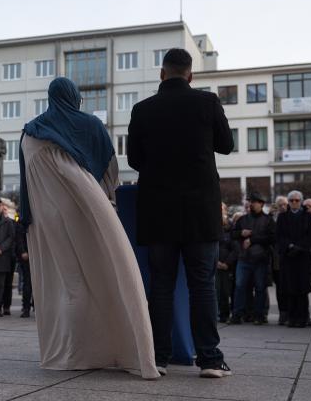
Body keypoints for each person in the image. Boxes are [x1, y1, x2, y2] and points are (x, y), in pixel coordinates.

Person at [20, 76, 159, 380]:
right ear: (75, 97)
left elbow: (26, 184)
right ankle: (118, 347)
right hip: (88, 211)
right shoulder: (90, 125)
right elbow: (109, 173)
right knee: (108, 275)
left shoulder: (29, 133)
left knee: (70, 284)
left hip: (48, 218)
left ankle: (74, 352)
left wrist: (27, 221)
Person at [127, 48, 233, 378]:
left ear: (162, 74)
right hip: (200, 211)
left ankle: (158, 357)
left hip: (158, 211)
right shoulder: (208, 103)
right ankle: (210, 360)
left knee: (161, 285)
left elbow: (134, 160)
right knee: (203, 284)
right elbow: (226, 144)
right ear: (191, 75)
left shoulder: (142, 109)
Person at [230, 192, 276, 325]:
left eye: (254, 202)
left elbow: (272, 238)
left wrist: (253, 239)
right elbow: (232, 234)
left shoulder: (268, 220)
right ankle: (237, 315)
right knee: (239, 287)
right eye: (250, 201)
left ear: (261, 204)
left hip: (260, 259)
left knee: (260, 288)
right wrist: (241, 233)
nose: (251, 204)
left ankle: (259, 316)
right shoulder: (242, 219)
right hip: (244, 259)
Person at [276, 191, 311, 327]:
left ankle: (303, 318)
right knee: (290, 288)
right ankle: (292, 318)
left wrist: (299, 247)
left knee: (302, 289)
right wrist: (289, 246)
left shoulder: (308, 216)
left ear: (301, 201)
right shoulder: (282, 217)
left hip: (302, 257)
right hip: (288, 257)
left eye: (297, 200)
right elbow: (279, 236)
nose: (294, 203)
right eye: (291, 200)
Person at [216, 203, 238, 323]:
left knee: (225, 292)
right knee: (216, 292)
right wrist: (216, 262)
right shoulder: (212, 226)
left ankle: (225, 314)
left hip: (226, 266)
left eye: (221, 209)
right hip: (214, 264)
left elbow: (235, 248)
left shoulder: (231, 227)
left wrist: (227, 263)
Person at [271, 195, 289, 325]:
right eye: (280, 204)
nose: (283, 207)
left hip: (290, 257)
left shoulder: (293, 217)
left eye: (284, 204)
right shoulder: (272, 219)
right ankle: (282, 312)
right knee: (280, 287)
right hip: (276, 258)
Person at [1, 203, 18, 315]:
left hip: (9, 257)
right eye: (3, 209)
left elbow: (14, 240)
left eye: (5, 209)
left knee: (8, 283)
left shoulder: (12, 223)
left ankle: (6, 306)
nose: (4, 211)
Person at [15, 219, 32, 318]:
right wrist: (22, 251)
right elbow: (19, 238)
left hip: (36, 255)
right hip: (27, 256)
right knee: (27, 283)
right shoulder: (22, 222)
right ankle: (26, 308)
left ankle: (32, 306)